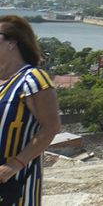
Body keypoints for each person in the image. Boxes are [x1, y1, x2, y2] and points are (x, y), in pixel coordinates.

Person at [0, 15, 61, 206]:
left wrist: (14, 165)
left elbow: (51, 127)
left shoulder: (33, 80)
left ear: (12, 42)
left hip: (15, 184)